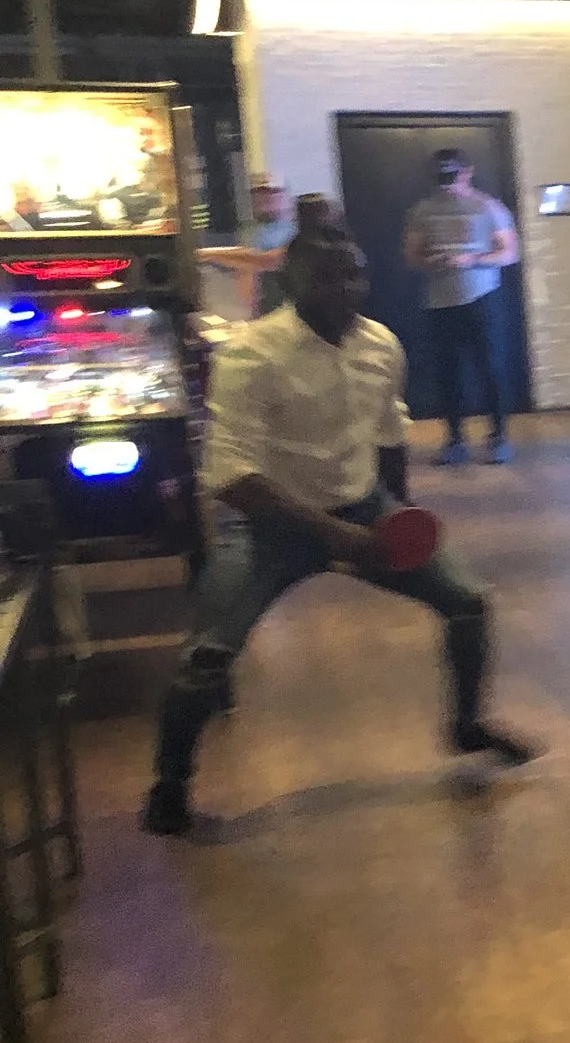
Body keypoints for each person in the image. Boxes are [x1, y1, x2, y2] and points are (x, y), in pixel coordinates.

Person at [139, 224, 538, 838]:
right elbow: (230, 476)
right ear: (291, 279)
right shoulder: (251, 354)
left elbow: (389, 433)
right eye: (327, 276)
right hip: (269, 525)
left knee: (468, 602)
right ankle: (168, 789)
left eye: (354, 274)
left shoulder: (380, 344)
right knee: (206, 657)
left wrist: (400, 516)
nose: (344, 288)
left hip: (362, 509)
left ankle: (467, 726)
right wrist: (336, 537)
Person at [403, 147, 520, 466]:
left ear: (467, 173)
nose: (447, 184)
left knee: (491, 369)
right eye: (442, 178)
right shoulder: (423, 211)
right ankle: (455, 439)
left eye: (452, 176)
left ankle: (498, 436)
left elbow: (509, 253)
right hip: (440, 301)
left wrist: (472, 260)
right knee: (447, 373)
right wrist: (433, 260)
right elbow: (412, 256)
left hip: (483, 297)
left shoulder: (488, 207)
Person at [197, 174, 308, 317]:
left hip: (297, 313)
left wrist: (205, 254)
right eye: (260, 194)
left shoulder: (299, 229)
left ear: (286, 197)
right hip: (266, 313)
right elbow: (245, 271)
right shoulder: (250, 232)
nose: (266, 199)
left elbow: (270, 260)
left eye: (273, 193)